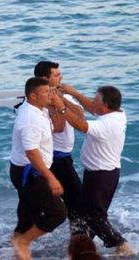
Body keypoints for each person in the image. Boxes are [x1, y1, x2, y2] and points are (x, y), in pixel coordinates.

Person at [60, 84, 133, 256]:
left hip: (101, 177)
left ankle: (121, 245)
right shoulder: (118, 113)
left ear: (106, 106)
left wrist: (61, 107)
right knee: (85, 213)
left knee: (94, 216)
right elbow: (93, 108)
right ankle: (83, 250)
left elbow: (81, 125)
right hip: (100, 174)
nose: (93, 101)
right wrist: (72, 93)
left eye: (96, 99)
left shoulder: (107, 125)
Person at [9, 77, 68, 260]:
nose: (50, 95)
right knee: (58, 213)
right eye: (46, 92)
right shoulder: (30, 118)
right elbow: (32, 153)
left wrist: (58, 107)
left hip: (29, 170)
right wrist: (51, 178)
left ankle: (18, 248)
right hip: (30, 173)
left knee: (29, 213)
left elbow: (56, 128)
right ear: (33, 96)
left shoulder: (38, 110)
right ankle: (23, 242)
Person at [35, 60, 84, 233]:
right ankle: (78, 239)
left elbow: (80, 115)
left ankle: (78, 238)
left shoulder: (61, 95)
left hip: (65, 156)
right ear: (44, 78)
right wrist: (54, 103)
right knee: (77, 200)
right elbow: (59, 126)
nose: (61, 77)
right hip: (55, 158)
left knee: (74, 201)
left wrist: (61, 99)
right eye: (56, 75)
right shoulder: (38, 102)